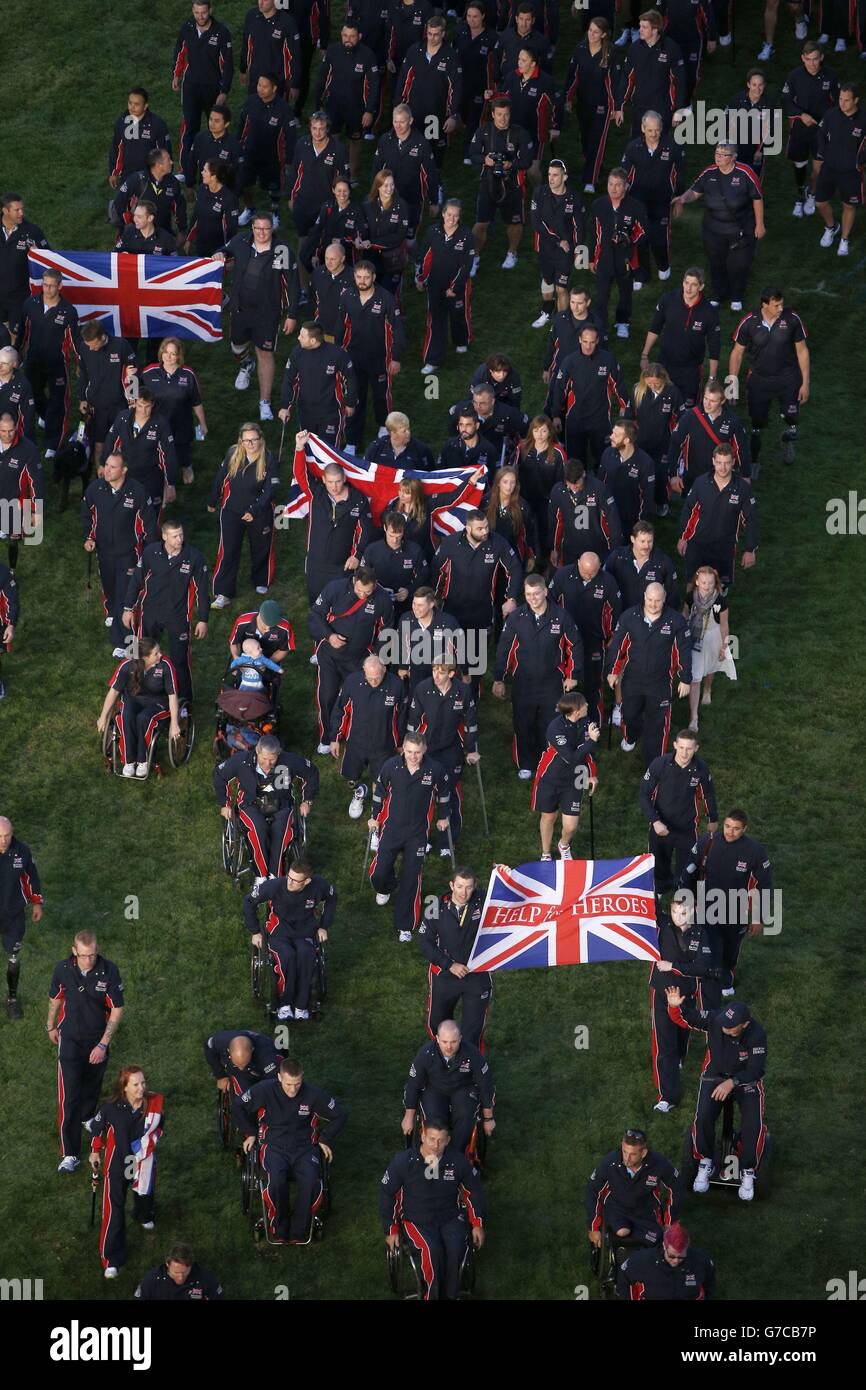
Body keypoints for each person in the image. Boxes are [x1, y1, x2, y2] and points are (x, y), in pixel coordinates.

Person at [665, 990, 767, 1202]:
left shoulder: (757, 1034)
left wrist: (733, 1082)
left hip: (744, 1079)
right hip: (715, 1076)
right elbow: (686, 1019)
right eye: (723, 1025)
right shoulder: (715, 1019)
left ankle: (748, 1170)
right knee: (702, 1117)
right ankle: (705, 1161)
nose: (724, 1028)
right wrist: (675, 1006)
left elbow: (756, 1070)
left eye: (730, 1027)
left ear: (745, 1025)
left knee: (753, 1125)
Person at [237, 1056, 347, 1243]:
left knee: (312, 1183)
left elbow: (340, 1114)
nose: (293, 1089)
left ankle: (299, 1230)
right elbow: (239, 1105)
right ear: (279, 1077)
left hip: (305, 1149)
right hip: (274, 1147)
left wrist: (325, 1139)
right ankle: (279, 1228)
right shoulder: (264, 1090)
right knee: (276, 1182)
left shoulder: (313, 1094)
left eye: (297, 1084)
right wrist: (250, 1133)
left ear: (302, 1078)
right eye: (288, 1084)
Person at [380, 1117, 485, 1301]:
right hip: (416, 1220)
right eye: (431, 1139)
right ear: (422, 1136)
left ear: (448, 1140)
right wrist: (391, 1229)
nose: (436, 1145)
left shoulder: (458, 1161)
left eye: (441, 1140)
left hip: (450, 1217)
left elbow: (473, 1191)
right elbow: (387, 1194)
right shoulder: (403, 1162)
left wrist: (477, 1223)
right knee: (431, 1252)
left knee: (456, 1247)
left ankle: (451, 1295)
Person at [678, 808, 773, 1002]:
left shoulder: (754, 851)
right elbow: (690, 869)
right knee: (709, 945)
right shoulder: (708, 841)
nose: (730, 832)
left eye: (736, 829)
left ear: (744, 829)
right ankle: (708, 978)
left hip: (735, 910)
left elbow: (765, 884)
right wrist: (685, 899)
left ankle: (727, 978)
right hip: (706, 905)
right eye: (728, 826)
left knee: (731, 948)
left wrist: (758, 916)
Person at [493, 572, 582, 777]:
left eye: (536, 594)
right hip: (523, 682)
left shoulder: (561, 616)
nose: (533, 598)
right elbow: (504, 649)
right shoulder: (516, 618)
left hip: (552, 682)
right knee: (523, 722)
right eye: (528, 594)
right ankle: (526, 763)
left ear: (545, 591)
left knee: (551, 723)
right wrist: (499, 678)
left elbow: (575, 646)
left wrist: (573, 674)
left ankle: (548, 760)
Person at [47, 930, 124, 1168]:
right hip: (69, 1040)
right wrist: (50, 1025)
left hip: (96, 1039)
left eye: (92, 955)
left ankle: (88, 1116)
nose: (88, 960)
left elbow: (117, 1009)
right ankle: (69, 1153)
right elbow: (55, 998)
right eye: (83, 955)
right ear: (74, 951)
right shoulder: (63, 969)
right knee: (69, 1097)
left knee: (93, 1082)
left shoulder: (109, 970)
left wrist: (103, 1044)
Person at [213, 212, 299, 422]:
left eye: (266, 228)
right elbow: (222, 250)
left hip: (267, 313)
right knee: (236, 345)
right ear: (252, 228)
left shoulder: (280, 250)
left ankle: (265, 402)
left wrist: (292, 314)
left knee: (265, 352)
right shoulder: (242, 240)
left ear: (272, 229)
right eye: (258, 228)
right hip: (240, 308)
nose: (261, 233)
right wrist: (219, 254)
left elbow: (292, 282)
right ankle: (245, 364)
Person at [368, 732, 450, 941]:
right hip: (391, 828)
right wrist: (374, 817)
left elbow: (444, 793)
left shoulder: (435, 769)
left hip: (417, 832)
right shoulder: (391, 766)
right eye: (409, 752)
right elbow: (379, 792)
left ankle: (405, 925)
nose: (413, 756)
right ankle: (386, 886)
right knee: (378, 873)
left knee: (411, 878)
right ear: (403, 749)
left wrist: (443, 817)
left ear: (424, 751)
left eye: (418, 753)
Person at [123, 517, 209, 705]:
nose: (179, 540)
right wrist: (128, 608)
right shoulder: (150, 552)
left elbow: (202, 589)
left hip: (178, 616)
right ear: (164, 537)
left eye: (181, 535)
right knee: (143, 655)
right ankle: (139, 692)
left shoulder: (194, 556)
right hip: (150, 613)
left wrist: (203, 618)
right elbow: (136, 581)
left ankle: (184, 701)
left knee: (180, 660)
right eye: (175, 536)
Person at [88, 1066, 165, 1278]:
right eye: (136, 1084)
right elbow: (97, 1129)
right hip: (116, 1163)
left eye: (143, 1082)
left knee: (144, 1190)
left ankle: (142, 1214)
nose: (142, 1088)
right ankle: (111, 1258)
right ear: (124, 1088)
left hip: (140, 1159)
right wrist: (95, 1151)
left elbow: (159, 1127)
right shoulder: (110, 1108)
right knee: (114, 1209)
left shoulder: (153, 1103)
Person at [429, 510, 523, 681]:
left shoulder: (497, 543)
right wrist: (433, 599)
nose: (485, 531)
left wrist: (511, 598)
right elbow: (436, 570)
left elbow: (515, 569)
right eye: (480, 529)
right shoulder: (451, 543)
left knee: (475, 661)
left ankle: (473, 697)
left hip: (481, 610)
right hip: (453, 610)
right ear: (468, 528)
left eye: (486, 527)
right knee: (449, 655)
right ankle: (449, 694)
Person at [671, 143, 765, 313]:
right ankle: (717, 293)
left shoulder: (746, 173)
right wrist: (683, 199)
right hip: (713, 229)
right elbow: (695, 191)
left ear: (733, 157)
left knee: (739, 265)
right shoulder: (709, 173)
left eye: (723, 154)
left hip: (740, 229)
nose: (718, 157)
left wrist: (760, 224)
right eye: (717, 153)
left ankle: (736, 296)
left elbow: (757, 198)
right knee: (716, 262)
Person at [607, 581, 692, 763]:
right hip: (632, 680)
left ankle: (654, 763)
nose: (653, 604)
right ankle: (630, 735)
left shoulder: (676, 621)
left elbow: (684, 651)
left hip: (660, 682)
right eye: (650, 600)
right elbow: (617, 647)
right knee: (629, 714)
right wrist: (613, 671)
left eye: (658, 600)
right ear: (644, 597)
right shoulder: (629, 617)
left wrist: (685, 679)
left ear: (664, 599)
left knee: (657, 724)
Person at [309, 566, 394, 746]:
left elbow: (387, 631)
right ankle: (327, 738)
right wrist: (329, 636)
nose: (363, 595)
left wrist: (378, 658)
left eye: (368, 592)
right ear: (355, 581)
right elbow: (316, 615)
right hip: (330, 655)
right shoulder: (334, 588)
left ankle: (352, 735)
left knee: (359, 698)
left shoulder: (383, 599)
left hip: (360, 658)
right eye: (360, 591)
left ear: (375, 585)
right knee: (327, 695)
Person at [214, 733, 319, 878]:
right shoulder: (242, 761)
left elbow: (312, 772)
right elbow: (220, 774)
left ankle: (275, 876)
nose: (268, 764)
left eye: (272, 759)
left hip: (281, 803)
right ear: (257, 751)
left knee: (281, 833)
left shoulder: (289, 760)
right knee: (258, 830)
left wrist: (307, 801)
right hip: (250, 804)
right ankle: (262, 876)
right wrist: (225, 804)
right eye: (264, 759)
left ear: (279, 753)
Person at [728, 289, 810, 469]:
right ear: (764, 305)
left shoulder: (792, 319)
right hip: (759, 380)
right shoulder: (749, 322)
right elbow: (736, 354)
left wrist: (805, 383)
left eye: (782, 304)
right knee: (756, 424)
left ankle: (787, 439)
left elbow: (802, 351)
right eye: (776, 305)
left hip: (788, 378)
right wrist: (731, 386)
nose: (781, 308)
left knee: (791, 417)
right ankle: (754, 463)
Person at [243, 861, 335, 1020]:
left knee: (306, 955)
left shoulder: (319, 885)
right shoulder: (276, 885)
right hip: (279, 931)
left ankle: (301, 1005)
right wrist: (255, 931)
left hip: (305, 930)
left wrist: (323, 926)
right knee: (287, 957)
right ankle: (284, 1004)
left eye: (295, 880)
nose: (289, 882)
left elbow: (332, 898)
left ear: (307, 881)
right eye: (289, 877)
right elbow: (249, 901)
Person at [648, 894, 713, 1113]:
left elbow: (702, 967)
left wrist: (672, 966)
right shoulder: (663, 924)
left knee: (682, 1031)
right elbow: (649, 902)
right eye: (674, 912)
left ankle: (680, 1058)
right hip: (662, 994)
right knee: (663, 1045)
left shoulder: (701, 933)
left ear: (693, 910)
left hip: (685, 996)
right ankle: (667, 1096)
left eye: (683, 912)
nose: (678, 917)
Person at [406, 660, 478, 855]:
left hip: (451, 749)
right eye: (434, 670)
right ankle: (422, 838)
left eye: (441, 672)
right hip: (426, 750)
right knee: (422, 794)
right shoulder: (422, 688)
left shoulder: (463, 691)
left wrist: (470, 750)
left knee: (451, 793)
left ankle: (448, 841)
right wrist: (409, 750)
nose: (436, 675)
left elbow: (470, 722)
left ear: (452, 674)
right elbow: (413, 722)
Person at [83, 454, 152, 657]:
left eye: (113, 467)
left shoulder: (137, 492)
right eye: (106, 465)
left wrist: (148, 554)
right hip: (104, 553)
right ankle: (116, 620)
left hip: (128, 554)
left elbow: (148, 524)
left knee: (124, 597)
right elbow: (86, 514)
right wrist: (88, 537)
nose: (107, 470)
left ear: (124, 470)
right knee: (111, 591)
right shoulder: (95, 489)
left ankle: (125, 643)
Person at [207, 421, 280, 608]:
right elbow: (220, 476)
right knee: (228, 551)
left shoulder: (269, 458)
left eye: (254, 440)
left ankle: (261, 581)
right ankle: (223, 593)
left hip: (260, 512)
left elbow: (271, 489)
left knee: (261, 548)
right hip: (231, 511)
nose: (250, 444)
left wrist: (254, 511)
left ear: (260, 440)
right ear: (241, 441)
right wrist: (212, 500)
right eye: (246, 440)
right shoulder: (232, 454)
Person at [12, 267, 80, 458]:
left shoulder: (68, 311)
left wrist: (81, 365)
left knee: (59, 402)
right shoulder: (30, 304)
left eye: (51, 286)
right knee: (32, 393)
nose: (47, 289)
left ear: (60, 286)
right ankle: (44, 415)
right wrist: (16, 354)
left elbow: (76, 342)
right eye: (45, 285)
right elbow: (23, 335)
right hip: (33, 360)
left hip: (58, 364)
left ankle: (53, 443)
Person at [419, 870, 490, 1048]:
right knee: (437, 1025)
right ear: (451, 885)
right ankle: (442, 1061)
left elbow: (509, 895)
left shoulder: (483, 900)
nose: (463, 892)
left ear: (474, 888)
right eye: (459, 886)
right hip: (444, 976)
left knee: (473, 1030)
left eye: (468, 887)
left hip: (476, 975)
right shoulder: (433, 903)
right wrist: (449, 964)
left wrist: (506, 874)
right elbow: (425, 943)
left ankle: (470, 1067)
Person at [640, 730, 718, 894]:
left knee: (689, 865)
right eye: (681, 747)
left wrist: (713, 818)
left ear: (696, 748)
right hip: (661, 825)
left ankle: (683, 895)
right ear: (675, 745)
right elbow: (644, 795)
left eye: (689, 748)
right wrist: (655, 821)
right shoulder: (659, 764)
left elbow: (708, 795)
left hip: (687, 827)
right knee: (659, 862)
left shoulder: (701, 768)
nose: (684, 753)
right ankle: (660, 890)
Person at [549, 550, 621, 726]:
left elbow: (615, 610)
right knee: (560, 679)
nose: (589, 576)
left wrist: (611, 633)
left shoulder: (608, 582)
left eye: (593, 573)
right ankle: (560, 720)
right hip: (565, 639)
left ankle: (593, 722)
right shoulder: (562, 575)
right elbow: (550, 601)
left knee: (594, 682)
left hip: (594, 639)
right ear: (578, 563)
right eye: (586, 572)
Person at [330, 653, 406, 819]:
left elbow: (401, 716)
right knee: (350, 776)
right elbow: (341, 710)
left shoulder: (397, 685)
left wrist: (401, 743)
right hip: (356, 741)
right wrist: (335, 737)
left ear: (384, 670)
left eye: (377, 678)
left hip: (384, 744)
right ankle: (358, 789)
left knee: (381, 782)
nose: (373, 682)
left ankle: (377, 812)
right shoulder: (352, 682)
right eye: (369, 677)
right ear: (363, 671)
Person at [294, 447, 375, 602]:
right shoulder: (316, 493)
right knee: (316, 604)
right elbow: (300, 474)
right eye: (330, 482)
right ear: (324, 479)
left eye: (338, 481)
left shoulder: (358, 499)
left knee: (339, 604)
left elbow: (366, 530)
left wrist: (357, 555)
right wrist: (299, 449)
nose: (334, 486)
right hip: (315, 563)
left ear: (344, 478)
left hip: (342, 565)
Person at [402, 1020, 495, 1152]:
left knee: (465, 1117)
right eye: (445, 1042)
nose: (449, 1047)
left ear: (460, 1039)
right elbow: (413, 1084)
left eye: (453, 1042)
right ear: (437, 1039)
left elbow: (486, 1084)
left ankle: (457, 1155)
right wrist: (408, 1117)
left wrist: (488, 1118)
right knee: (433, 1122)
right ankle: (435, 1152)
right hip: (435, 1089)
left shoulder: (473, 1054)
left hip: (463, 1088)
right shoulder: (426, 1054)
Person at [340, 261, 405, 450]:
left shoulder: (386, 298)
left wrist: (396, 357)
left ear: (374, 278)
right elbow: (341, 327)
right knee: (353, 397)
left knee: (381, 396)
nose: (362, 281)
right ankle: (352, 441)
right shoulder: (347, 296)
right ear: (354, 277)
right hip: (353, 357)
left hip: (380, 359)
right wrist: (338, 352)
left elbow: (397, 329)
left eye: (366, 277)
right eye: (359, 277)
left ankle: (384, 426)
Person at [677, 444, 757, 592]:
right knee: (692, 582)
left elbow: (751, 519)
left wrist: (750, 549)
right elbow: (688, 509)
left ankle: (717, 614)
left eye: (727, 462)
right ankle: (687, 611)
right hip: (697, 543)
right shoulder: (701, 483)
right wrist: (683, 537)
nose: (723, 467)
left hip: (724, 547)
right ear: (713, 461)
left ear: (733, 462)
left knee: (719, 587)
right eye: (719, 462)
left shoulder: (743, 489)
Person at [468, 97, 534, 275]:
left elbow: (528, 160)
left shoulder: (520, 133)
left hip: (513, 184)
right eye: (499, 115)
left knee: (514, 222)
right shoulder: (483, 131)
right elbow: (472, 153)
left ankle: (512, 252)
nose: (503, 119)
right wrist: (485, 160)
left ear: (510, 114)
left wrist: (511, 164)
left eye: (506, 115)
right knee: (481, 223)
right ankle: (474, 257)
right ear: (492, 114)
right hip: (488, 183)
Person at [97, 638, 182, 776]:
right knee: (126, 716)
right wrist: (103, 717)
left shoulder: (165, 665)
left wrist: (174, 723)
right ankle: (129, 761)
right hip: (134, 698)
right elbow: (113, 691)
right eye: (156, 653)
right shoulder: (127, 665)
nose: (161, 655)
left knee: (144, 718)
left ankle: (143, 760)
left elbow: (172, 695)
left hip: (158, 701)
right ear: (144, 658)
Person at [171, 2, 234, 184]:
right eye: (197, 12)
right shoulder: (188, 27)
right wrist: (176, 74)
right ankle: (186, 169)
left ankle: (223, 169)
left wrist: (224, 91)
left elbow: (227, 65)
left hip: (213, 88)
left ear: (210, 11)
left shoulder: (221, 32)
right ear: (193, 11)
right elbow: (180, 51)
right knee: (189, 127)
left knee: (218, 128)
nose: (200, 16)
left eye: (203, 13)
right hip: (190, 86)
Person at [531, 691, 599, 860]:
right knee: (549, 816)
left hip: (577, 776)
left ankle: (564, 845)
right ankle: (546, 853)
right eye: (584, 704)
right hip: (550, 776)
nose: (587, 706)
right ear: (576, 710)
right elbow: (570, 757)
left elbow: (588, 754)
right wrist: (591, 741)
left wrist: (591, 774)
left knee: (571, 826)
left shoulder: (587, 722)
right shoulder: (555, 728)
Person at [586, 1127, 679, 1248]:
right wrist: (593, 1228)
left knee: (657, 1239)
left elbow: (676, 1187)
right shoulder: (609, 1163)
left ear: (643, 1153)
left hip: (646, 1210)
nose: (627, 1158)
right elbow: (593, 1190)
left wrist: (669, 1222)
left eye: (633, 1154)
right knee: (622, 1232)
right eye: (625, 1152)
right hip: (618, 1208)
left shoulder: (658, 1163)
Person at [640, 267, 720, 408]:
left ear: (701, 287)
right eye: (686, 282)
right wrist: (645, 355)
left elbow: (714, 345)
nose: (688, 288)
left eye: (693, 284)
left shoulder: (709, 312)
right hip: (664, 364)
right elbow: (655, 328)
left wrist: (712, 377)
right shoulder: (668, 299)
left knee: (687, 410)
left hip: (690, 370)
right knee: (659, 404)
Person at [622, 111, 683, 289]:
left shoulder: (673, 146)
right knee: (639, 237)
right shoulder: (633, 147)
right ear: (642, 128)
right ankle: (641, 275)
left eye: (656, 130)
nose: (653, 134)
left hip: (662, 200)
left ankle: (663, 264)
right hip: (638, 200)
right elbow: (623, 174)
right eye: (650, 130)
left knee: (659, 236)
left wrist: (678, 197)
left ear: (661, 128)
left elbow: (681, 173)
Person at [549, 325, 625, 467]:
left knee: (604, 460)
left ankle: (602, 485)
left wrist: (625, 407)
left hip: (600, 419)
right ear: (579, 340)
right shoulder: (569, 361)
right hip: (575, 419)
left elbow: (618, 385)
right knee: (575, 462)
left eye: (591, 342)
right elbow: (560, 389)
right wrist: (556, 415)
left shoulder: (608, 360)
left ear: (597, 341)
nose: (588, 346)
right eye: (585, 341)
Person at [396, 15, 462, 172]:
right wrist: (399, 105)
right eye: (429, 33)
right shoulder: (414, 50)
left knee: (433, 151)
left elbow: (456, 88)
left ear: (443, 34)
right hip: (413, 110)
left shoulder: (451, 56)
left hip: (435, 115)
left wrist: (452, 115)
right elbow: (404, 80)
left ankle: (434, 184)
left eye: (436, 34)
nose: (432, 37)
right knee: (409, 147)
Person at [316, 21, 380, 182]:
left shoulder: (368, 55)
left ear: (359, 37)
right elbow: (322, 77)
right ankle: (334, 171)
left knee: (356, 140)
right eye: (345, 35)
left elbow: (374, 85)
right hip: (333, 105)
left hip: (357, 108)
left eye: (352, 36)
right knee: (332, 138)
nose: (348, 39)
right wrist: (318, 104)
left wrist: (369, 110)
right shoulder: (332, 51)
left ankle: (352, 174)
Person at [782, 41, 839, 218]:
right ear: (802, 58)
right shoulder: (794, 76)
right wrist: (800, 115)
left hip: (821, 132)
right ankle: (800, 196)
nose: (812, 63)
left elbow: (839, 104)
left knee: (818, 170)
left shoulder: (831, 76)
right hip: (800, 129)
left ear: (821, 57)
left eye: (815, 59)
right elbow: (785, 100)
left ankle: (812, 195)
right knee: (799, 165)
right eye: (808, 59)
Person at [589, 167, 648, 339]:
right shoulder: (598, 205)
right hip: (603, 258)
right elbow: (592, 233)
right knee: (601, 297)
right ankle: (601, 328)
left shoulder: (636, 207)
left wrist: (628, 238)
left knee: (625, 293)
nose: (613, 188)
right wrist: (590, 258)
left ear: (626, 186)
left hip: (626, 258)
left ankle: (623, 322)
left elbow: (644, 232)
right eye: (610, 184)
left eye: (618, 185)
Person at [415, 200, 473, 372]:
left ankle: (461, 340)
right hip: (435, 284)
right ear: (443, 214)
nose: (452, 218)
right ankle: (433, 359)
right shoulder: (433, 231)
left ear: (460, 216)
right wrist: (420, 278)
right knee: (435, 321)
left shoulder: (466, 235)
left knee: (458, 315)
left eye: (456, 215)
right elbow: (424, 256)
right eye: (449, 214)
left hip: (457, 286)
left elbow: (466, 265)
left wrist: (455, 287)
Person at [279, 322, 357, 448]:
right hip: (305, 411)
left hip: (331, 412)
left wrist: (350, 403)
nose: (298, 338)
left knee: (329, 451)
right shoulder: (297, 353)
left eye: (302, 336)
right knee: (309, 449)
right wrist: (285, 406)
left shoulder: (337, 354)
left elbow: (350, 379)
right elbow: (289, 380)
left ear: (313, 340)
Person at [109, 387, 178, 527]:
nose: (143, 410)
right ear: (135, 403)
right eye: (140, 406)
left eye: (147, 407)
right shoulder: (124, 418)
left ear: (153, 405)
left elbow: (168, 455)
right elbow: (111, 443)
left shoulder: (160, 423)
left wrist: (170, 483)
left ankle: (151, 545)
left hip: (151, 477)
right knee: (125, 512)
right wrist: (105, 466)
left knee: (151, 514)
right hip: (127, 475)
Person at [143, 338, 206, 487]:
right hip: (157, 423)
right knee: (157, 452)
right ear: (161, 353)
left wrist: (202, 423)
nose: (169, 357)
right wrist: (130, 376)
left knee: (182, 450)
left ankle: (186, 467)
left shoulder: (188, 374)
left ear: (179, 356)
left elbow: (196, 401)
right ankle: (162, 477)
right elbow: (134, 390)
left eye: (173, 354)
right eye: (166, 352)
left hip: (182, 423)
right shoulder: (149, 372)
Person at [615, 8, 687, 136]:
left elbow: (680, 82)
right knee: (637, 146)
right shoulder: (635, 48)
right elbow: (626, 77)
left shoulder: (671, 49)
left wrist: (679, 109)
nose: (640, 30)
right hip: (639, 107)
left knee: (657, 146)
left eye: (644, 27)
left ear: (655, 30)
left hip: (662, 109)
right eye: (640, 26)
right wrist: (619, 105)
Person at [374, 105, 442, 241]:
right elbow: (376, 169)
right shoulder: (384, 140)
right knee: (388, 232)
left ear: (410, 121)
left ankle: (415, 259)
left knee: (410, 238)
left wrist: (434, 201)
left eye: (402, 122)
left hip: (413, 198)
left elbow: (430, 174)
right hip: (388, 196)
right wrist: (374, 194)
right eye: (395, 121)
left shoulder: (422, 144)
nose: (398, 126)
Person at [564, 16, 616, 194]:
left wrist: (614, 107)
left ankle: (590, 180)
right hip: (583, 104)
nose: (591, 34)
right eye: (590, 30)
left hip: (602, 106)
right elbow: (573, 76)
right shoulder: (580, 49)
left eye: (595, 31)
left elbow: (613, 83)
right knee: (586, 140)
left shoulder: (609, 53)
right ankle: (594, 164)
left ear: (603, 34)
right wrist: (568, 98)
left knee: (596, 141)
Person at [529, 160, 583, 328]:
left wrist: (580, 250)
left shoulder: (574, 198)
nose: (551, 179)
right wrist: (558, 240)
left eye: (555, 175)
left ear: (564, 177)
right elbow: (536, 222)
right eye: (549, 174)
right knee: (547, 281)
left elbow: (579, 226)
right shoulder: (539, 193)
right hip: (544, 246)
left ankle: (560, 323)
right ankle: (546, 311)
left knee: (561, 287)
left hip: (565, 252)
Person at [236, 73, 295, 226]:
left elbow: (291, 136)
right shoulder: (251, 102)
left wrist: (288, 160)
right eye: (259, 85)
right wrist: (238, 145)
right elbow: (242, 125)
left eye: (264, 86)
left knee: (273, 188)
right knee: (244, 184)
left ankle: (275, 213)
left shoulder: (284, 109)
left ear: (274, 88)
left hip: (272, 157)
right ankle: (249, 209)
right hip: (250, 153)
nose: (260, 89)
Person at [77, 324, 138, 473]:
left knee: (123, 443)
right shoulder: (84, 347)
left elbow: (133, 372)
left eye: (93, 345)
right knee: (99, 444)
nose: (90, 349)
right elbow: (82, 374)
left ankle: (123, 476)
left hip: (119, 405)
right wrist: (82, 398)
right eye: (87, 345)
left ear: (101, 337)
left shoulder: (121, 345)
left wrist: (132, 400)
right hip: (96, 406)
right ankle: (101, 479)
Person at [0, 815, 43, 1020]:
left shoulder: (22, 851)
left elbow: (31, 877)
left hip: (13, 915)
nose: (3, 841)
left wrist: (37, 902)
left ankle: (12, 999)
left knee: (14, 957)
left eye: (7, 835)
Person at [624, 363, 683, 512]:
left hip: (663, 442)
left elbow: (682, 417)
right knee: (637, 472)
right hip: (640, 441)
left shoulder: (673, 392)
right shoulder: (638, 389)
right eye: (649, 383)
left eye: (656, 383)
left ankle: (661, 501)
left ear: (663, 380)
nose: (653, 386)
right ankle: (638, 501)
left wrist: (677, 436)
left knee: (661, 473)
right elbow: (629, 415)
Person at [684, 564, 736, 730]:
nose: (707, 586)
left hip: (713, 637)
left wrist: (724, 646)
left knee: (711, 668)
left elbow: (724, 625)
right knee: (695, 676)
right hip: (694, 639)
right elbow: (684, 615)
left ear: (715, 583)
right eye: (704, 582)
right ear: (697, 582)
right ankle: (694, 717)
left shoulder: (720, 601)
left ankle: (707, 689)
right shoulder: (690, 597)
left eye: (710, 583)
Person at [286, 111, 349, 247]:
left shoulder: (339, 149)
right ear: (310, 128)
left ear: (327, 129)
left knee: (325, 242)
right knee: (303, 242)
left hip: (326, 205)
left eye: (321, 129)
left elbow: (343, 181)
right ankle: (303, 265)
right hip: (302, 203)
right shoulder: (302, 144)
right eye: (314, 128)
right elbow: (295, 173)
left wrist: (339, 205)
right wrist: (291, 197)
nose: (317, 132)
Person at [548, 457, 623, 568]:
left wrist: (615, 549)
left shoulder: (599, 489)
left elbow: (612, 520)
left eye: (577, 483)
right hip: (570, 550)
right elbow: (555, 522)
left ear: (583, 474)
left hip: (597, 548)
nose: (574, 487)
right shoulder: (558, 491)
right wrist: (554, 548)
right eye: (570, 483)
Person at [503, 47, 562, 183]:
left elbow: (557, 105)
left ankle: (540, 195)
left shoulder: (545, 81)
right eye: (519, 59)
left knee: (532, 171)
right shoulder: (512, 77)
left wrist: (555, 127)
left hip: (534, 133)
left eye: (524, 60)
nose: (519, 63)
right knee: (509, 167)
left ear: (533, 63)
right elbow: (501, 97)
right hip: (512, 130)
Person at [618, 1221, 716, 1299]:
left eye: (681, 1257)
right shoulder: (642, 1260)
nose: (676, 1261)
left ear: (687, 1247)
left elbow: (709, 1282)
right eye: (672, 1256)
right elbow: (624, 1275)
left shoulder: (701, 1260)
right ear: (664, 1246)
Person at [393, 587, 466, 689]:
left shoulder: (447, 622)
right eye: (414, 603)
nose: (415, 608)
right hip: (416, 673)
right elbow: (403, 645)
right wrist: (403, 667)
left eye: (420, 605)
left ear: (431, 604)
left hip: (441, 672)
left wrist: (465, 672)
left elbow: (460, 648)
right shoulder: (406, 619)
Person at [356, 169, 413, 300]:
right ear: (378, 186)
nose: (389, 188)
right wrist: (359, 237)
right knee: (370, 295)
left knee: (387, 296)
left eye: (392, 184)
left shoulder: (402, 206)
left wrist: (372, 243)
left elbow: (399, 236)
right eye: (385, 185)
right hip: (370, 257)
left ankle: (395, 316)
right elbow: (361, 224)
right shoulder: (368, 203)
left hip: (392, 260)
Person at [603, 520, 679, 616]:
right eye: (642, 541)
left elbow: (672, 595)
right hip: (620, 616)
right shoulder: (617, 557)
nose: (646, 546)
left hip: (650, 619)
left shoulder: (663, 561)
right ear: (632, 539)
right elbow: (604, 582)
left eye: (650, 541)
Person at [112, 149, 187, 244]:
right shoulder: (137, 179)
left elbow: (180, 206)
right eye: (168, 160)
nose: (172, 162)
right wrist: (130, 222)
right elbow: (119, 202)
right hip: (136, 234)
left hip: (161, 235)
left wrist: (182, 230)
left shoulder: (173, 182)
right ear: (158, 164)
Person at [456, 5, 501, 160]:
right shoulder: (460, 32)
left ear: (483, 16)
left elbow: (495, 65)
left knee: (475, 118)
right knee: (463, 114)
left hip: (480, 86)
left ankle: (468, 151)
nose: (471, 20)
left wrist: (491, 87)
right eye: (469, 16)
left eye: (475, 16)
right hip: (461, 83)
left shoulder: (492, 37)